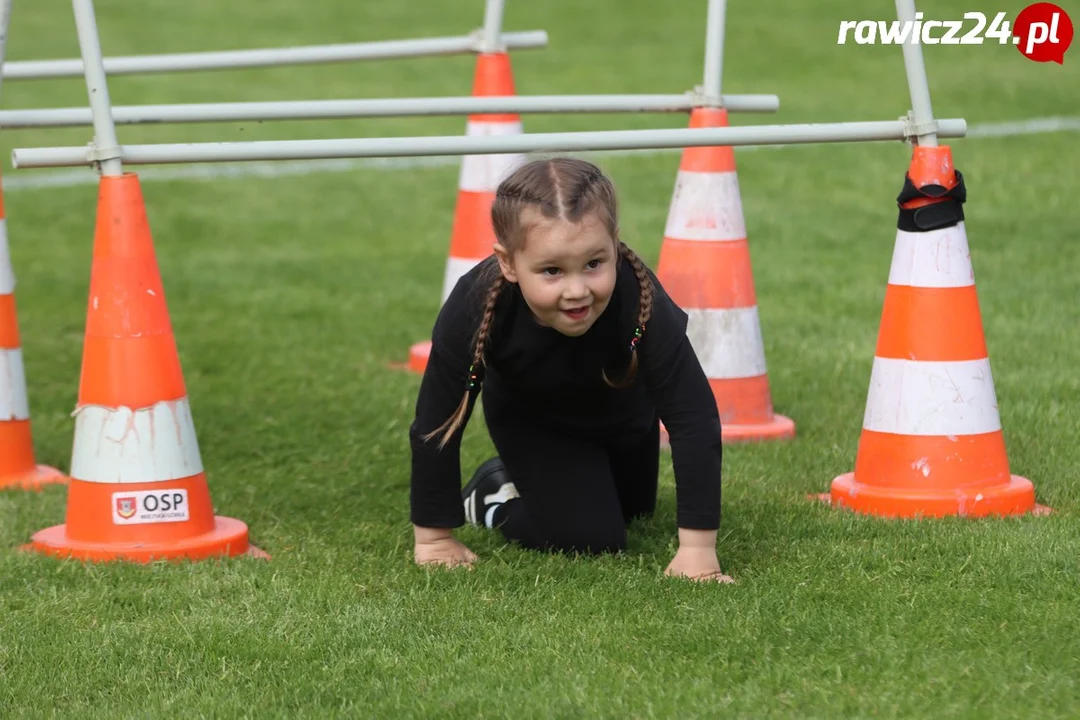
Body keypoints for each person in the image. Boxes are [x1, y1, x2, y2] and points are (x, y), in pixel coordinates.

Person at [407, 156, 733, 583]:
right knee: (595, 537)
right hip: (535, 426)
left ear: (614, 242)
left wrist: (698, 551)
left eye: (594, 264)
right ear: (508, 263)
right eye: (552, 271)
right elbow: (438, 418)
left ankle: (568, 481)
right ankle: (492, 495)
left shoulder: (640, 297)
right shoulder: (476, 303)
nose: (577, 290)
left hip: (623, 417)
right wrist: (433, 538)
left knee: (635, 514)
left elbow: (694, 417)